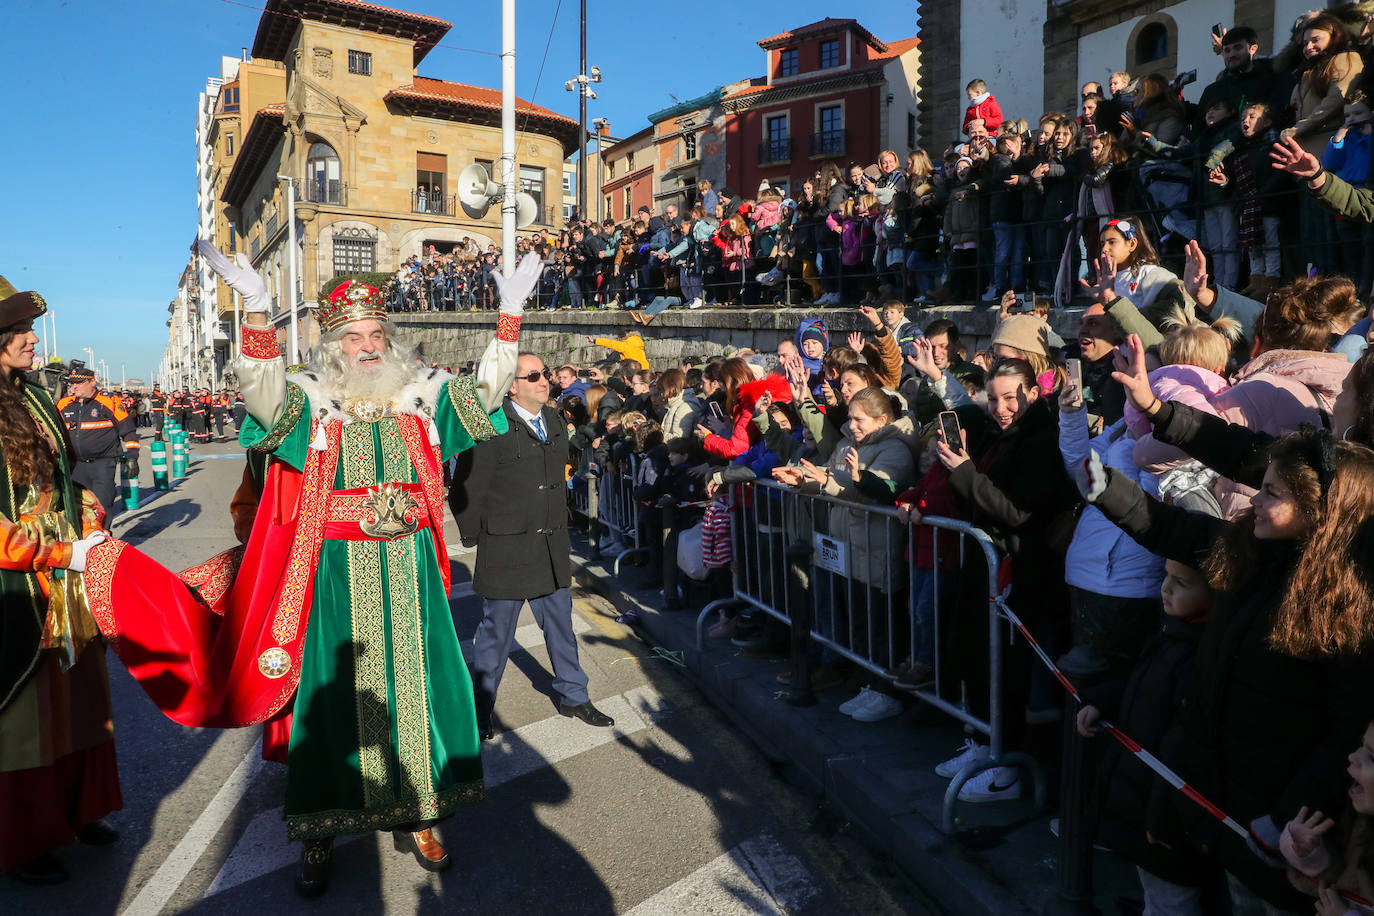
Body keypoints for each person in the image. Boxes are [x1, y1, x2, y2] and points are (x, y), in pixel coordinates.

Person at [82, 243, 542, 897]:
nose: (368, 344)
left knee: (419, 698)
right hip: (333, 577)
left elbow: (490, 387)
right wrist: (257, 307)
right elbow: (262, 395)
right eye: (353, 335)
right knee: (329, 706)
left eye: (377, 332)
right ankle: (320, 829)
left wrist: (511, 312)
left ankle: (421, 814)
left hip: (411, 571)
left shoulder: (423, 396)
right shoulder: (310, 402)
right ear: (331, 344)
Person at [0, 277, 120, 883]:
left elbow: (61, 481)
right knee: (26, 713)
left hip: (63, 567)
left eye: (27, 328)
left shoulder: (37, 397)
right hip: (19, 581)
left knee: (80, 698)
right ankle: (26, 839)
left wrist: (90, 520)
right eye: (17, 331)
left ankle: (80, 809)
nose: (29, 339)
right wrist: (57, 552)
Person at [452, 352, 616, 743]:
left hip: (551, 544)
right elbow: (467, 486)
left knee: (562, 627)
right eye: (534, 376)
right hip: (507, 547)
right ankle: (481, 708)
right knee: (495, 636)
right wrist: (477, 536)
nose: (545, 381)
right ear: (512, 386)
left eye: (545, 374)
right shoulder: (491, 426)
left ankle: (574, 696)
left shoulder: (555, 419)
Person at [56, 365, 140, 521]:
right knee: (79, 509)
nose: (74, 386)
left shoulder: (109, 401)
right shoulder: (63, 404)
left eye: (79, 383)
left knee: (103, 505)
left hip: (102, 464)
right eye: (72, 383)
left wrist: (132, 457)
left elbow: (128, 431)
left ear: (92, 382)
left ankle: (104, 540)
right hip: (76, 466)